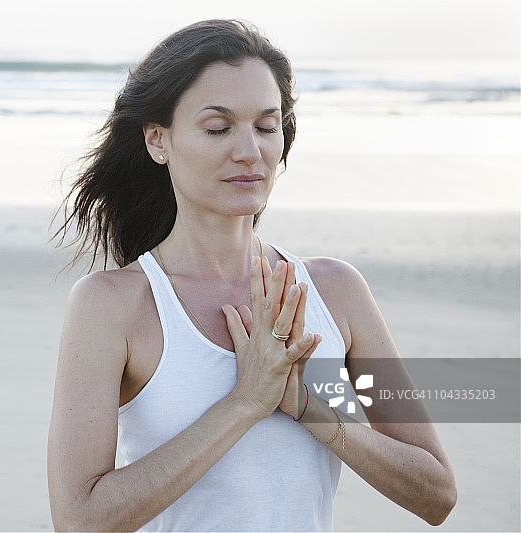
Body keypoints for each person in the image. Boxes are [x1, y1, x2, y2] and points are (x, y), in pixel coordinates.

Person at [47, 19, 456, 532]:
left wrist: (318, 412)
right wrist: (245, 403)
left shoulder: (336, 292)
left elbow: (437, 493)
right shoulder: (114, 305)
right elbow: (80, 519)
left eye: (267, 126)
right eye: (219, 128)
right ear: (158, 140)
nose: (251, 150)